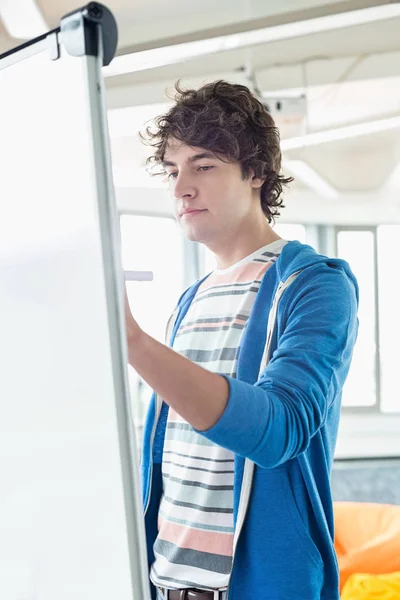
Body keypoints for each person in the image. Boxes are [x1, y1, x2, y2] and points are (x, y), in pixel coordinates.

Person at [124, 80, 359, 600]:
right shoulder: (188, 301)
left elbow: (280, 429)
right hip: (167, 584)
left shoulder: (316, 284)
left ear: (255, 172)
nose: (182, 187)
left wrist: (133, 343)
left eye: (203, 165)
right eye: (173, 169)